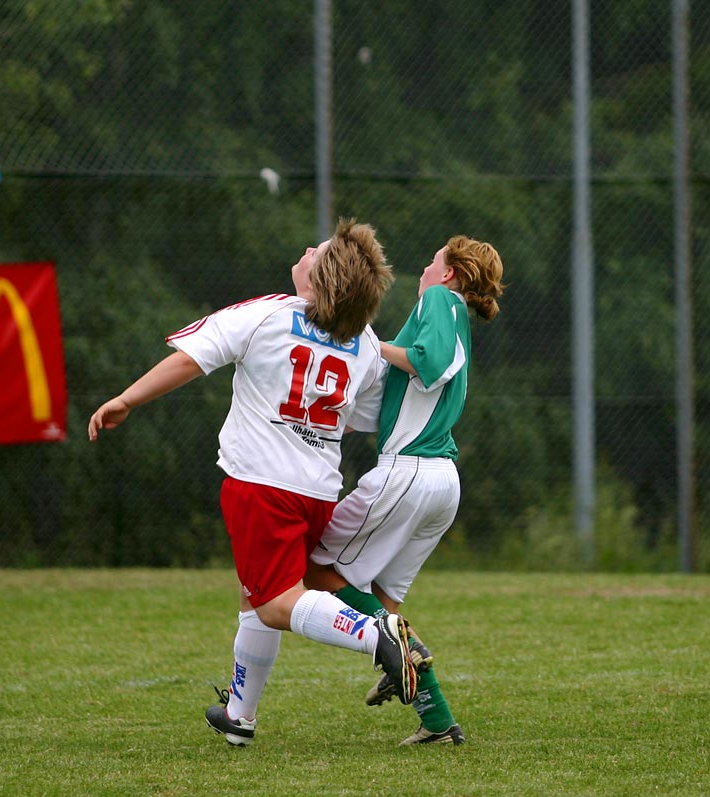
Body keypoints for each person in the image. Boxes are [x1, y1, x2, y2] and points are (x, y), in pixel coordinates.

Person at [87, 218, 420, 746]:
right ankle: (239, 717)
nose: (308, 249)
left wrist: (127, 398)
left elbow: (191, 359)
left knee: (274, 603)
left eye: (319, 252)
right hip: (316, 492)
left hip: (260, 486)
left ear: (321, 279)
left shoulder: (268, 313)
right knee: (255, 598)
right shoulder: (366, 343)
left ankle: (372, 635)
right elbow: (364, 414)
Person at [308, 235, 505, 746]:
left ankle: (397, 652)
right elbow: (410, 386)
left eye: (433, 259)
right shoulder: (455, 315)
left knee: (318, 570)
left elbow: (430, 361)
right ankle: (437, 721)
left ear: (451, 275)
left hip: (409, 473)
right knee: (380, 602)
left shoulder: (439, 300)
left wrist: (370, 344)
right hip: (442, 481)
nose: (425, 266)